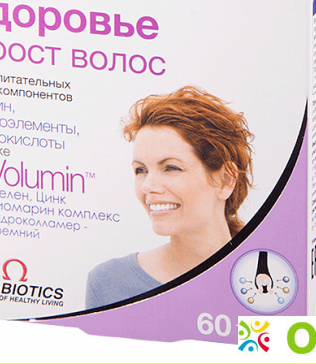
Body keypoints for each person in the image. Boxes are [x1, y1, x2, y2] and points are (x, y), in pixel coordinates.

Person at [85, 85, 253, 309]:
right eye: (141, 170)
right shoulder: (109, 284)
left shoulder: (267, 283)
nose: (148, 186)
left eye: (171, 167)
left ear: (225, 180)